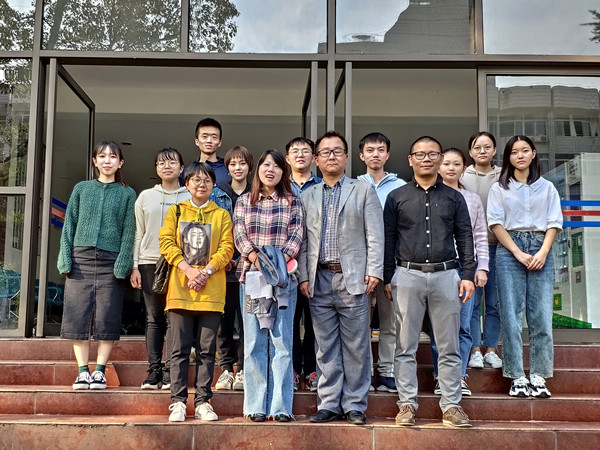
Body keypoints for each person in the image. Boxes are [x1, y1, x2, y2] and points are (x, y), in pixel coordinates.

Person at [384, 136, 475, 428]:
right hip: (406, 275)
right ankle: (406, 404)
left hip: (446, 275)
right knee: (405, 345)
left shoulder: (454, 198)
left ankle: (451, 406)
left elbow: (465, 237)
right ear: (410, 159)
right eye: (420, 154)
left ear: (440, 159)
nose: (426, 159)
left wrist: (468, 275)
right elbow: (388, 239)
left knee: (449, 345)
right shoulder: (396, 197)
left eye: (432, 154)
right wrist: (388, 277)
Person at [298, 131, 383, 426]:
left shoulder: (363, 190)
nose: (331, 156)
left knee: (356, 346)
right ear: (316, 159)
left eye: (337, 151)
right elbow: (304, 241)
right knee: (325, 346)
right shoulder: (307, 196)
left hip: (353, 278)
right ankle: (329, 403)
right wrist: (303, 277)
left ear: (347, 157)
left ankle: (355, 404)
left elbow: (375, 234)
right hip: (319, 278)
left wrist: (375, 270)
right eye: (325, 152)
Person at [487, 135, 562, 398]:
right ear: (508, 157)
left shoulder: (547, 188)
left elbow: (554, 222)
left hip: (542, 247)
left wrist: (543, 252)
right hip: (510, 249)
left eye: (525, 150)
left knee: (541, 314)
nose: (520, 155)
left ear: (533, 154)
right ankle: (517, 375)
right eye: (514, 152)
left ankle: (539, 375)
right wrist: (517, 252)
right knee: (510, 314)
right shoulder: (499, 188)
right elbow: (496, 224)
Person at [57, 141, 136, 390]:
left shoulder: (127, 194)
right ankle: (83, 371)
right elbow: (69, 225)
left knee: (107, 316)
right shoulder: (81, 188)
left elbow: (129, 231)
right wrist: (65, 257)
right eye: (102, 156)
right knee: (77, 314)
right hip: (80, 259)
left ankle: (100, 371)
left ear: (120, 163)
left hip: (111, 261)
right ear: (94, 161)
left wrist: (123, 263)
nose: (107, 160)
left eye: (112, 157)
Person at [160, 162, 234, 422]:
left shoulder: (222, 215)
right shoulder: (176, 211)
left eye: (207, 180)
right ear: (187, 183)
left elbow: (227, 248)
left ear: (213, 185)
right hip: (180, 291)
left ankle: (203, 401)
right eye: (196, 180)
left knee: (207, 351)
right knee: (178, 350)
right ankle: (178, 402)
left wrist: (206, 272)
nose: (201, 184)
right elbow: (166, 242)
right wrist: (190, 271)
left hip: (211, 292)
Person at [233, 149, 303, 423]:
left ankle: (280, 407)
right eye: (265, 165)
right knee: (254, 341)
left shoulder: (292, 201)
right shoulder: (244, 201)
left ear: (283, 171)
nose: (270, 169)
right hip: (252, 278)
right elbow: (239, 234)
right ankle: (255, 405)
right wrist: (257, 259)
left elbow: (296, 236)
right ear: (258, 170)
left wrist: (275, 264)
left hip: (283, 279)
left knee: (282, 342)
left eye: (276, 165)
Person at [429, 148, 489, 397]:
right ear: (438, 166)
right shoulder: (430, 196)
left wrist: (481, 267)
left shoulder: (472, 199)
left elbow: (480, 236)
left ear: (464, 168)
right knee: (439, 328)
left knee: (463, 326)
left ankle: (460, 375)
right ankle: (440, 376)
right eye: (446, 163)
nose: (451, 168)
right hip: (439, 268)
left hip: (465, 268)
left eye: (456, 164)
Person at [130, 148, 191, 390]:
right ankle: (154, 370)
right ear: (156, 168)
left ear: (181, 168)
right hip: (149, 261)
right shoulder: (145, 196)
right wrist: (134, 266)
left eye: (172, 162)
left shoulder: (190, 195)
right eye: (161, 163)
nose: (167, 166)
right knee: (154, 318)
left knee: (175, 318)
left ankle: (170, 371)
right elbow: (138, 233)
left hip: (180, 264)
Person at [356, 132, 406, 393]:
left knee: (390, 322)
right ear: (361, 155)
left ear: (387, 155)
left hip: (391, 263)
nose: (375, 154)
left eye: (380, 150)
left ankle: (387, 372)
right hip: (359, 265)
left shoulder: (401, 187)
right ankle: (365, 372)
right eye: (370, 150)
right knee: (359, 322)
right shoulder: (353, 185)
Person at [462, 132, 503, 370]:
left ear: (494, 150)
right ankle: (475, 349)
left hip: (500, 246)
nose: (482, 151)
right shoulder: (462, 176)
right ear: (470, 152)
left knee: (495, 302)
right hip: (472, 248)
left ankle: (492, 349)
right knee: (472, 303)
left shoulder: (504, 176)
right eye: (477, 147)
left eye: (487, 147)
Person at [213, 145, 253, 392]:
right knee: (224, 322)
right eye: (233, 164)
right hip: (223, 268)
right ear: (227, 168)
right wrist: (224, 258)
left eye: (242, 163)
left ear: (250, 166)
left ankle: (244, 369)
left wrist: (246, 257)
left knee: (248, 321)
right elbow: (213, 229)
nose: (238, 168)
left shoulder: (257, 192)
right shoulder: (217, 193)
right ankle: (226, 369)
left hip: (250, 268)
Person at [285, 137, 321, 392]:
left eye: (305, 151)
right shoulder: (279, 186)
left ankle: (311, 369)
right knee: (289, 320)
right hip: (286, 264)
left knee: (314, 321)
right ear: (287, 158)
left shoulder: (322, 185)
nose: (300, 155)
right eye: (295, 151)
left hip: (315, 263)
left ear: (314, 158)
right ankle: (292, 369)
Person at [180, 118, 231, 186]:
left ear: (219, 143)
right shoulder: (186, 171)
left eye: (214, 137)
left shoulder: (229, 170)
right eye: (205, 136)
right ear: (197, 141)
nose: (209, 141)